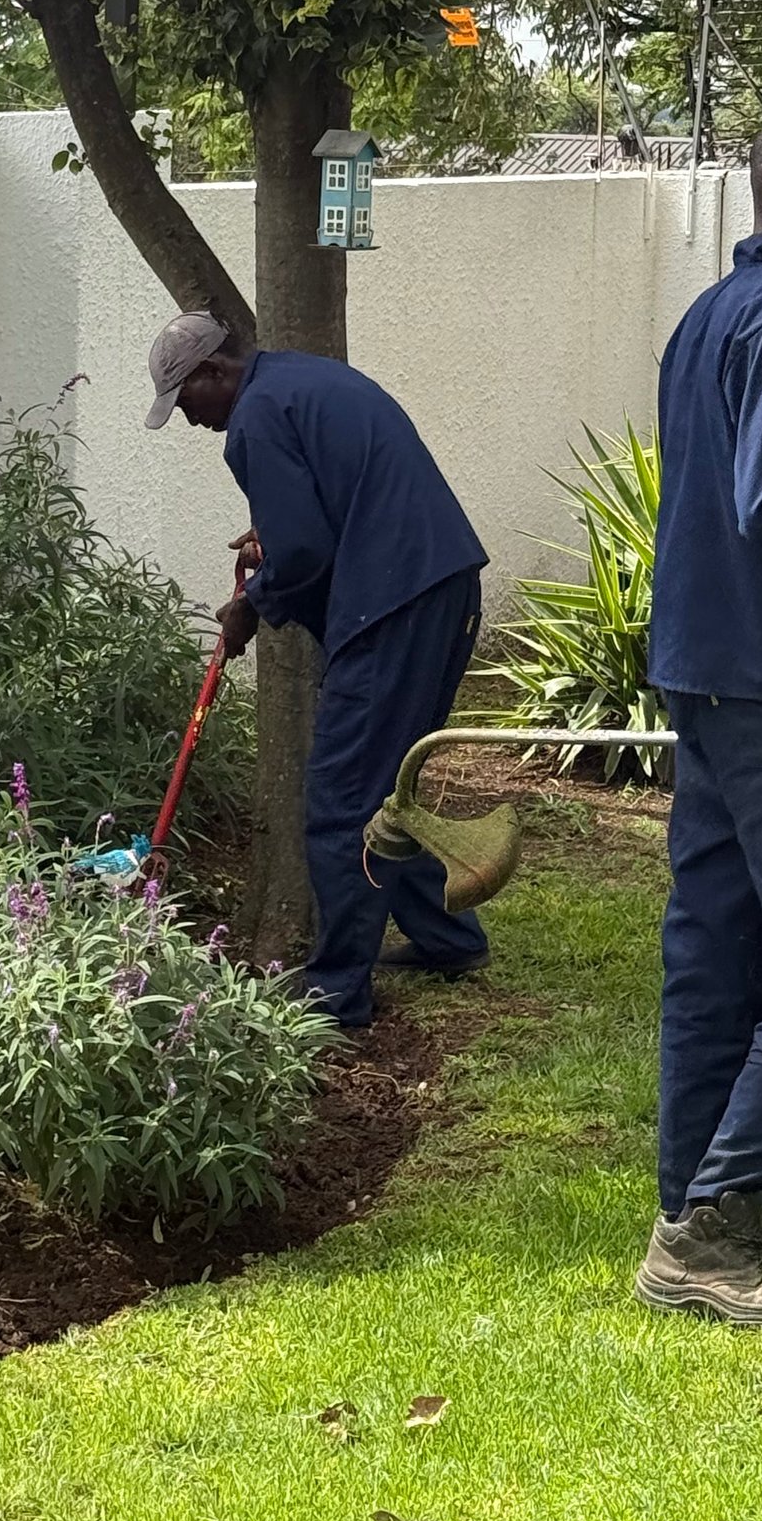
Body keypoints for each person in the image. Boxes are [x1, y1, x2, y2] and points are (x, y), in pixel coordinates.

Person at [145, 313, 490, 1027]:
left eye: (185, 399)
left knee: (342, 798)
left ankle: (336, 991)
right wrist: (275, 535)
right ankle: (448, 939)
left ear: (213, 371)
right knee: (388, 782)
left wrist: (251, 607)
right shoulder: (301, 380)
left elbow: (305, 553)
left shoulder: (253, 420)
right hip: (441, 587)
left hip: (394, 607)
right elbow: (331, 505)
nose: (188, 418)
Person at [635, 107, 762, 1327]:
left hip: (702, 674)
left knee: (715, 950)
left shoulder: (707, 316)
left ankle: (696, 1208)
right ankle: (713, 1225)